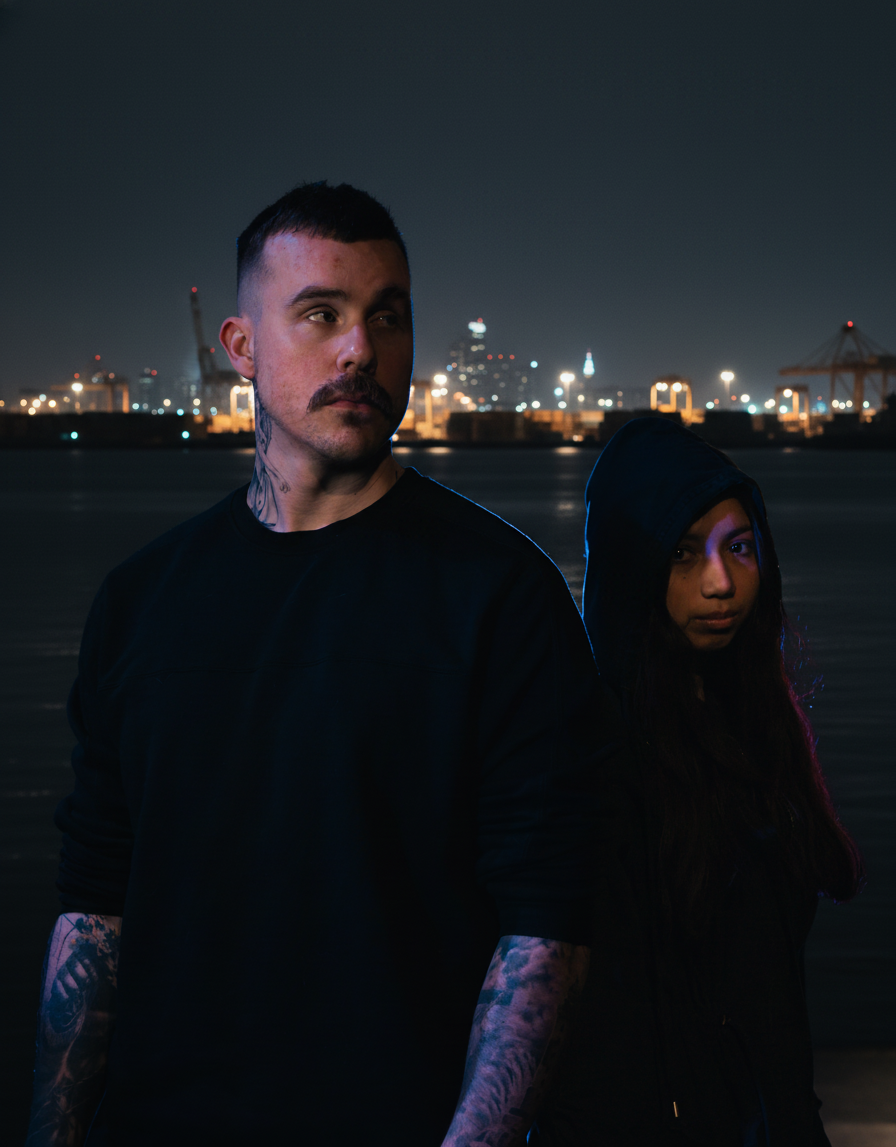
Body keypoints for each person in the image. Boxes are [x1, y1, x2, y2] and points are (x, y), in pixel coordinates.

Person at [26, 182, 619, 1146]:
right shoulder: (142, 603)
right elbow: (95, 909)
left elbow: (548, 925)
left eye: (388, 316)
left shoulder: (499, 595)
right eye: (321, 314)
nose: (361, 349)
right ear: (242, 348)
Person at [534, 417, 863, 1146]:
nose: (721, 583)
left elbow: (773, 1003)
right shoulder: (595, 763)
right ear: (634, 565)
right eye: (683, 554)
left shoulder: (754, 728)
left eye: (740, 547)